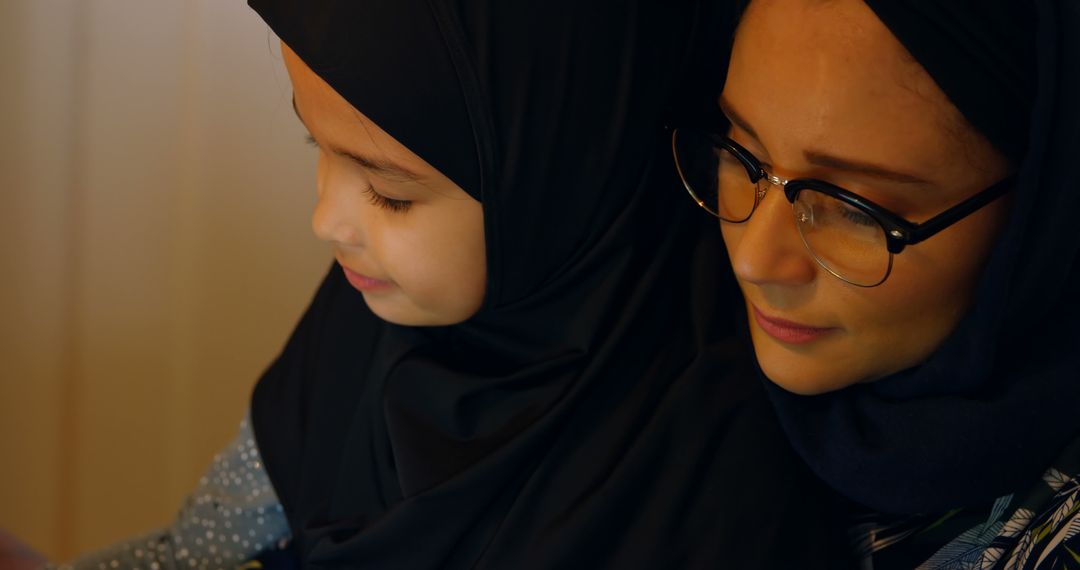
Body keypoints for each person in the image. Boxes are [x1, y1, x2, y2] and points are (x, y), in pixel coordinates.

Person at [27, 0, 846, 568]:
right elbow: (199, 552)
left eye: (389, 191)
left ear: (564, 185)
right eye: (312, 141)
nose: (325, 220)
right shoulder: (354, 343)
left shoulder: (709, 474)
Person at [672, 0, 1080, 567]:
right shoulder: (665, 348)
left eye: (857, 209)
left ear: (1039, 214)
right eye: (744, 156)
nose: (755, 261)